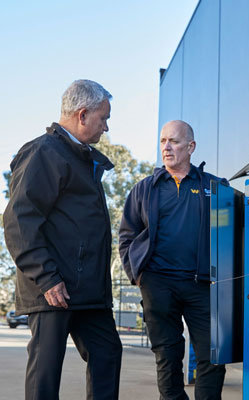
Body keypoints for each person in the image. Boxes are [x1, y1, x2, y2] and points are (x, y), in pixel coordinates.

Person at [3, 79, 122, 400]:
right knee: (46, 371)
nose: (106, 127)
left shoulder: (82, 158)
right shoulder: (44, 152)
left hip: (87, 291)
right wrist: (46, 278)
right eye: (103, 118)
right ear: (82, 115)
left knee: (107, 353)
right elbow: (19, 221)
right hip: (53, 288)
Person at [119, 120, 226, 400]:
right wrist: (138, 276)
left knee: (212, 356)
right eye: (163, 141)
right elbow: (127, 235)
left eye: (174, 141)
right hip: (158, 285)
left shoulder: (214, 187)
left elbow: (231, 233)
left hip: (202, 285)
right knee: (167, 357)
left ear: (190, 147)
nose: (167, 147)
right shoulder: (144, 189)